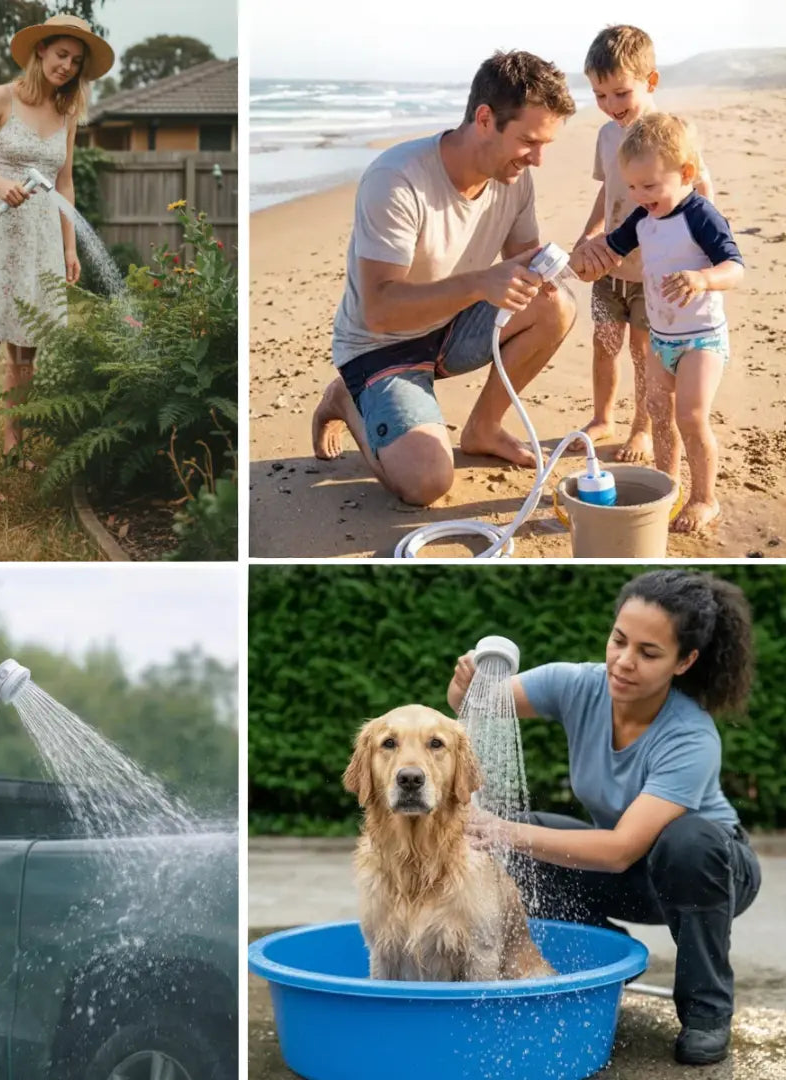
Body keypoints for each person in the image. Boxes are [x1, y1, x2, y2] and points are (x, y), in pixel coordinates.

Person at [448, 569, 761, 1066]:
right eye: (619, 640)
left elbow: (618, 852)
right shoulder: (578, 685)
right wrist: (469, 682)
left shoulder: (691, 737)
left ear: (685, 661)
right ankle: (609, 960)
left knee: (685, 841)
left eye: (648, 653)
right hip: (628, 865)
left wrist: (502, 829)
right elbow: (478, 706)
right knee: (515, 846)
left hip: (709, 870)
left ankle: (706, 1012)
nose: (623, 662)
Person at [311, 50, 578, 507]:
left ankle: (484, 428)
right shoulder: (397, 180)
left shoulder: (513, 180)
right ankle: (346, 399)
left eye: (544, 146)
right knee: (427, 483)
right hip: (379, 347)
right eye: (529, 142)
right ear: (485, 118)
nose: (537, 159)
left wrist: (568, 264)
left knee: (557, 305)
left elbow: (522, 265)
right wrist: (479, 284)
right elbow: (378, 310)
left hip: (450, 328)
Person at [0, 13, 115, 485]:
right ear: (40, 51)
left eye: (76, 61)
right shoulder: (2, 98)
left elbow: (65, 181)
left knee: (25, 357)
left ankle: (12, 449)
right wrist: (0, 183)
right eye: (61, 55)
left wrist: (69, 248)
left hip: (41, 235)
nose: (67, 66)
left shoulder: (67, 114)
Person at [571, 113, 743, 534]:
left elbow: (735, 267)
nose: (639, 195)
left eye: (649, 186)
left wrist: (703, 278)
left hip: (700, 339)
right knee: (659, 413)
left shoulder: (700, 214)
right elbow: (609, 252)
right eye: (631, 186)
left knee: (691, 415)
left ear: (686, 174)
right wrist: (583, 262)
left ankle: (705, 498)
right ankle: (669, 487)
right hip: (662, 340)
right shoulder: (643, 219)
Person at [573, 25, 713, 463]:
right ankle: (602, 417)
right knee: (604, 342)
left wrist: (702, 244)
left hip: (652, 271)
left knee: (643, 352)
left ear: (649, 82)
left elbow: (701, 183)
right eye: (599, 95)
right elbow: (608, 190)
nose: (610, 106)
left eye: (620, 93)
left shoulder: (667, 136)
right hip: (610, 266)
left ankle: (641, 428)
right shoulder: (606, 136)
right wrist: (590, 231)